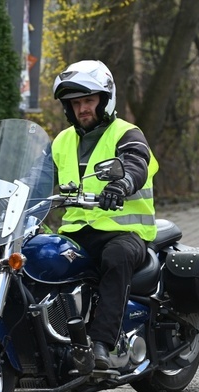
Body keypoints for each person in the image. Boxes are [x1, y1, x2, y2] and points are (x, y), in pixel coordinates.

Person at [50, 60, 158, 369]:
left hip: (124, 234)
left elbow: (137, 162)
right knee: (35, 260)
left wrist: (122, 184)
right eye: (75, 103)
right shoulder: (61, 141)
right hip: (76, 233)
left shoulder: (126, 133)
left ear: (104, 99)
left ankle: (101, 345)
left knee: (116, 257)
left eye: (88, 100)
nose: (82, 108)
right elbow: (37, 178)